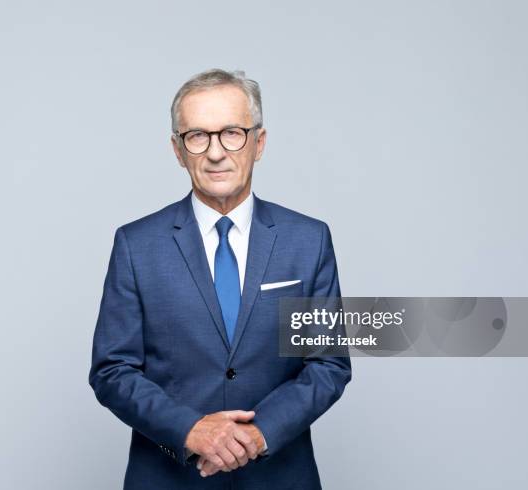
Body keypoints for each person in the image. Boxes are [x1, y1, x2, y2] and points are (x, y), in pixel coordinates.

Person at [88, 68, 352, 489]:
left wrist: (255, 434)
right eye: (197, 136)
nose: (215, 152)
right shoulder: (136, 245)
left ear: (259, 143)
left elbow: (328, 365)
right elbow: (112, 370)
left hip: (279, 477)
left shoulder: (309, 240)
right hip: (169, 478)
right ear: (178, 150)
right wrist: (191, 431)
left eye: (232, 132)